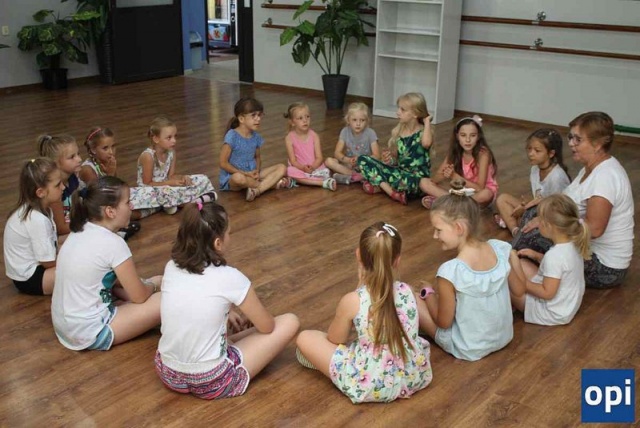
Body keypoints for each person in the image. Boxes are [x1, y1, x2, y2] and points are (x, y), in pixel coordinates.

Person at [155, 201, 299, 399]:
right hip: (212, 380)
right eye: (229, 233)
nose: (230, 237)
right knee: (290, 321)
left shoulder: (171, 267)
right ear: (218, 243)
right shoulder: (231, 277)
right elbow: (267, 327)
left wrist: (227, 311)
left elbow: (194, 299)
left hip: (169, 373)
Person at [296, 222, 432, 403]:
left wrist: (358, 289)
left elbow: (336, 339)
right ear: (397, 260)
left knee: (305, 338)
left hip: (371, 385)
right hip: (414, 376)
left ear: (358, 254)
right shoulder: (408, 291)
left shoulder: (353, 300)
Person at [513, 112, 634, 289]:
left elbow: (595, 229)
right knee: (535, 213)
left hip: (604, 266)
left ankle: (512, 267)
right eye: (571, 138)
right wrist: (543, 202)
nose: (571, 143)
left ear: (598, 144)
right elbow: (567, 200)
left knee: (536, 233)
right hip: (587, 249)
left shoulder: (605, 177)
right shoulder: (590, 169)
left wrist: (549, 221)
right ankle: (514, 262)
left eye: (578, 139)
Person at [51, 176, 162, 351]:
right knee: (166, 298)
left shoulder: (81, 230)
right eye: (127, 202)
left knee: (132, 285)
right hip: (89, 332)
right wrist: (154, 285)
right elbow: (139, 296)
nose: (132, 206)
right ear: (110, 211)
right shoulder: (114, 243)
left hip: (65, 327)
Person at [416, 180, 514, 361]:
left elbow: (443, 323)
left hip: (469, 348)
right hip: (504, 337)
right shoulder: (500, 249)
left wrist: (428, 294)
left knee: (411, 297)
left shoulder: (450, 271)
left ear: (458, 228)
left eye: (438, 230)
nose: (435, 236)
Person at [508, 194, 590, 325]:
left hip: (550, 312)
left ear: (549, 226)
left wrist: (522, 283)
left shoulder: (554, 256)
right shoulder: (573, 244)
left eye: (540, 220)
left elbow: (547, 293)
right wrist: (536, 256)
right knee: (522, 263)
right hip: (565, 305)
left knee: (508, 282)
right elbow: (561, 268)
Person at [357, 92, 433, 205]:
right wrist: (390, 160)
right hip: (400, 175)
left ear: (415, 114)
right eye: (398, 108)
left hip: (415, 181)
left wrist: (427, 122)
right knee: (363, 159)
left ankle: (381, 186)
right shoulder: (399, 132)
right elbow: (398, 161)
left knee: (403, 179)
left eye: (403, 110)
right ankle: (392, 192)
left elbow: (426, 144)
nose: (398, 112)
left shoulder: (424, 132)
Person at [4, 158, 63, 295]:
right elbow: (48, 262)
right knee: (80, 269)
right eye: (57, 185)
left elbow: (52, 243)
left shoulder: (41, 210)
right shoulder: (37, 220)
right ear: (40, 192)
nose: (63, 187)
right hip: (30, 278)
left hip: (35, 269)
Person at [495, 128, 570, 236]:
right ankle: (515, 231)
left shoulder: (557, 176)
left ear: (551, 153)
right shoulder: (534, 169)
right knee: (503, 199)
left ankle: (518, 228)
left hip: (551, 216)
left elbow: (558, 210)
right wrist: (525, 205)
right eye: (529, 149)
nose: (531, 154)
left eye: (537, 151)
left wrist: (526, 209)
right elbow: (538, 197)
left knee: (521, 218)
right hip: (537, 211)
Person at [137, 116, 217, 215]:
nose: (174, 140)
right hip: (151, 190)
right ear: (156, 139)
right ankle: (195, 201)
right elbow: (147, 183)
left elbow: (171, 176)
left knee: (202, 178)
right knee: (167, 192)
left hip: (167, 185)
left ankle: (174, 204)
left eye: (175, 136)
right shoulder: (148, 156)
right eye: (169, 138)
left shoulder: (171, 152)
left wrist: (183, 178)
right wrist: (169, 183)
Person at [79, 126, 146, 239]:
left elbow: (116, 188)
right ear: (93, 150)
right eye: (105, 148)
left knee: (136, 196)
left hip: (108, 201)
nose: (111, 152)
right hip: (94, 208)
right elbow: (102, 196)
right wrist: (110, 173)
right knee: (126, 211)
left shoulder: (108, 162)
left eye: (113, 146)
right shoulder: (87, 169)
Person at [220, 97, 292, 202]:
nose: (258, 119)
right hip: (235, 175)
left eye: (259, 115)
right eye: (253, 115)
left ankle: (257, 190)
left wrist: (257, 171)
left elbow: (257, 157)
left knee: (282, 167)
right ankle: (270, 184)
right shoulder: (232, 136)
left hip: (252, 174)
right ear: (241, 119)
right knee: (239, 178)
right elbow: (223, 163)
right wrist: (245, 173)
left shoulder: (256, 137)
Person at [420, 115, 497, 209]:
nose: (468, 140)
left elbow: (479, 188)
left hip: (477, 194)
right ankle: (457, 205)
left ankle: (448, 203)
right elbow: (434, 180)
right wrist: (445, 174)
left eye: (473, 135)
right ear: (457, 136)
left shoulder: (483, 154)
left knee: (486, 194)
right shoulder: (454, 152)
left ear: (478, 137)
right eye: (463, 135)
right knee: (424, 182)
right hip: (461, 192)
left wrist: (454, 176)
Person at [37, 134, 83, 235]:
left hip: (72, 223)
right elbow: (61, 228)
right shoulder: (55, 190)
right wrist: (88, 223)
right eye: (72, 157)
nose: (79, 159)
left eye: (78, 154)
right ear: (56, 163)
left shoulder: (72, 177)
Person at [284, 102, 336, 191]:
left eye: (307, 117)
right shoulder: (289, 138)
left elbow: (319, 157)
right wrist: (303, 168)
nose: (305, 120)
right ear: (292, 122)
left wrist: (313, 167)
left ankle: (301, 180)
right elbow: (293, 161)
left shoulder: (314, 136)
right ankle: (322, 183)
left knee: (325, 171)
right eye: (300, 118)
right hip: (299, 168)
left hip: (315, 167)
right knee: (289, 170)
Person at [324, 102, 380, 185]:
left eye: (362, 120)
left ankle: (349, 177)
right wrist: (348, 160)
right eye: (354, 120)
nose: (358, 124)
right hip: (350, 165)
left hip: (364, 165)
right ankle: (357, 176)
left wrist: (361, 159)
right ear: (348, 120)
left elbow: (377, 156)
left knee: (377, 167)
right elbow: (337, 153)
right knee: (329, 161)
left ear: (367, 121)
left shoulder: (371, 133)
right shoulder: (344, 131)